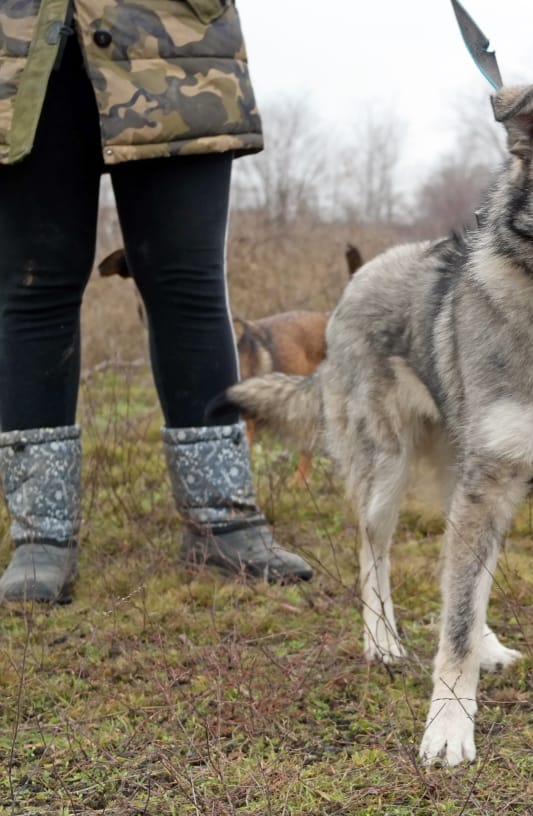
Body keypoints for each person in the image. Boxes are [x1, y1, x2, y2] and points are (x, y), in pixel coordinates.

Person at [0, 0, 313, 603]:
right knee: (35, 287)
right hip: (22, 45)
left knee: (187, 284)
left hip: (174, 39)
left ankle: (221, 522)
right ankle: (41, 537)